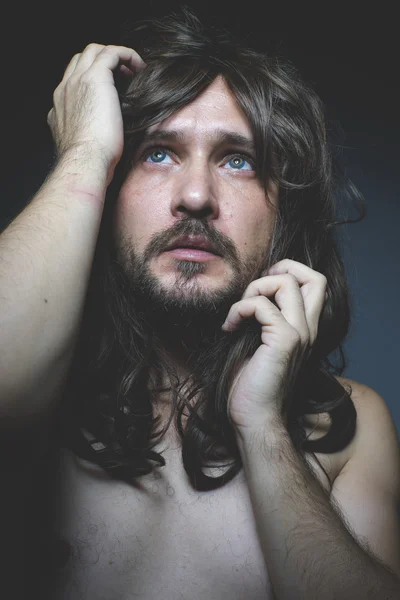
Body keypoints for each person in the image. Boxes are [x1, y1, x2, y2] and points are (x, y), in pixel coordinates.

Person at [1, 7, 399, 600]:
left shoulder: (353, 422)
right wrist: (84, 153)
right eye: (157, 152)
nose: (195, 196)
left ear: (282, 212)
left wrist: (262, 427)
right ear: (111, 189)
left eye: (238, 160)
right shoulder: (42, 394)